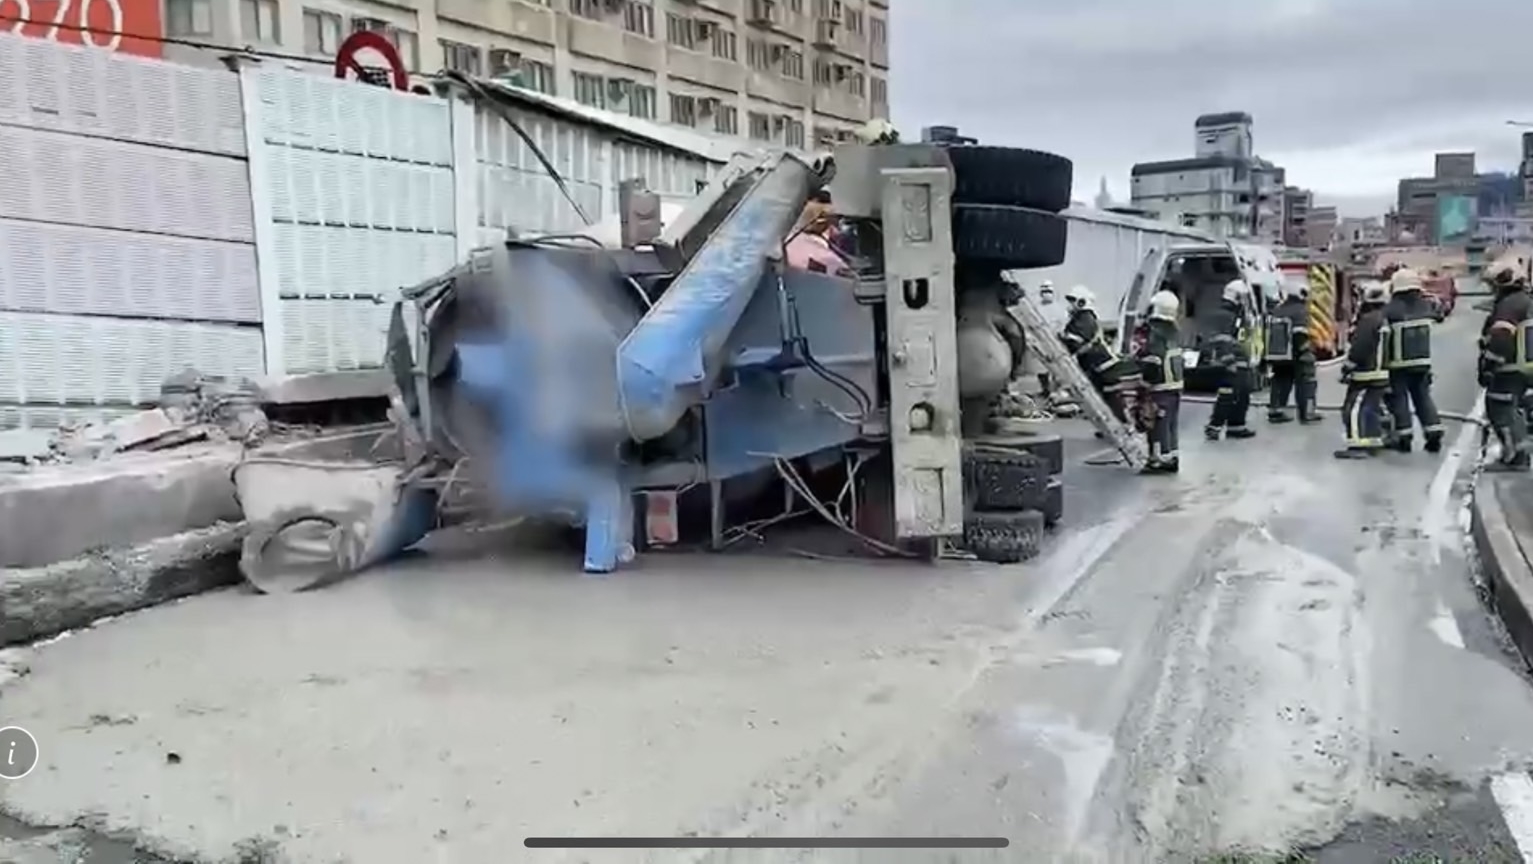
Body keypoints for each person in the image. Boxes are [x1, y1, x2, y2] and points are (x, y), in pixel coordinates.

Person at [1382, 267, 1444, 453]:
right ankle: (1433, 431)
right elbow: (1439, 314)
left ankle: (1404, 436)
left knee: (1398, 398)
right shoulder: (1425, 306)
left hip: (1397, 364)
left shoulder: (1391, 309)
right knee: (1423, 397)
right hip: (1422, 362)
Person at [1480, 257, 1533, 471]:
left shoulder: (1508, 305)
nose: (1492, 289)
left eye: (1493, 284)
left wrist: (1488, 365)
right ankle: (1518, 454)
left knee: (1500, 407)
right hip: (1525, 367)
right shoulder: (1525, 300)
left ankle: (1516, 457)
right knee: (1515, 408)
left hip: (1510, 367)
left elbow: (1501, 337)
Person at [1060, 285, 1134, 423]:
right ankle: (1116, 424)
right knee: (1104, 399)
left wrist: (1062, 341)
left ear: (1081, 302)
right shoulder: (1081, 318)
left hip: (1103, 367)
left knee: (1109, 399)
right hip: (1097, 366)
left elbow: (1073, 343)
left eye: (1073, 300)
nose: (1070, 304)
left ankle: (1121, 423)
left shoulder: (1085, 319)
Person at [1335, 282, 1392, 459]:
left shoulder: (1368, 320)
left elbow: (1360, 347)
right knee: (1371, 408)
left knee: (1355, 408)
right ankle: (1372, 439)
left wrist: (1348, 366)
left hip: (1367, 374)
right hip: (1381, 373)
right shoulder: (1383, 318)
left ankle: (1358, 445)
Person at [1135, 290, 1185, 474]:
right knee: (1171, 424)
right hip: (1175, 387)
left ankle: (1158, 460)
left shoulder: (1156, 333)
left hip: (1160, 387)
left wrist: (1144, 382)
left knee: (1157, 425)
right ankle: (1171, 457)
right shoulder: (1174, 331)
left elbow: (1153, 361)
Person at [1204, 279, 1257, 441]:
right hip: (1230, 361)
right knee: (1228, 395)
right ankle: (1214, 427)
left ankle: (1236, 426)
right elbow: (1222, 340)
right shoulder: (1224, 315)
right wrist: (1229, 361)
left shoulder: (1234, 314)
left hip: (1240, 359)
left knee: (1242, 395)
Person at [1264, 283, 1320, 424]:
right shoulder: (1300, 310)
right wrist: (1306, 351)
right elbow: (1300, 334)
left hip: (1279, 354)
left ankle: (1275, 410)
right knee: (1306, 382)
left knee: (1280, 381)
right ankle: (1307, 413)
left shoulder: (1278, 310)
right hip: (1297, 353)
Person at [1033, 280, 1069, 396]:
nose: (1046, 294)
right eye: (1044, 291)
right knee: (1040, 367)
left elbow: (1063, 325)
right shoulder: (1036, 308)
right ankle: (1045, 390)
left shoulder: (1059, 309)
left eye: (1049, 291)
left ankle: (1058, 390)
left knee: (1057, 367)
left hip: (1055, 341)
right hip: (1040, 341)